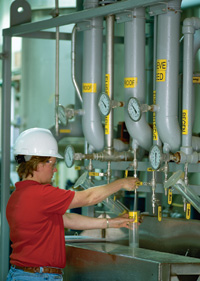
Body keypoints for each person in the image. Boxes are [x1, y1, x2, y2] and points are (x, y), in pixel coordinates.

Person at [6, 128, 139, 281]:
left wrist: (111, 223)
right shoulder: (40, 193)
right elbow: (88, 197)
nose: (55, 169)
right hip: (38, 276)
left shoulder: (17, 196)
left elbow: (67, 220)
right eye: (52, 163)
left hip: (25, 274)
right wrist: (121, 183)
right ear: (39, 164)